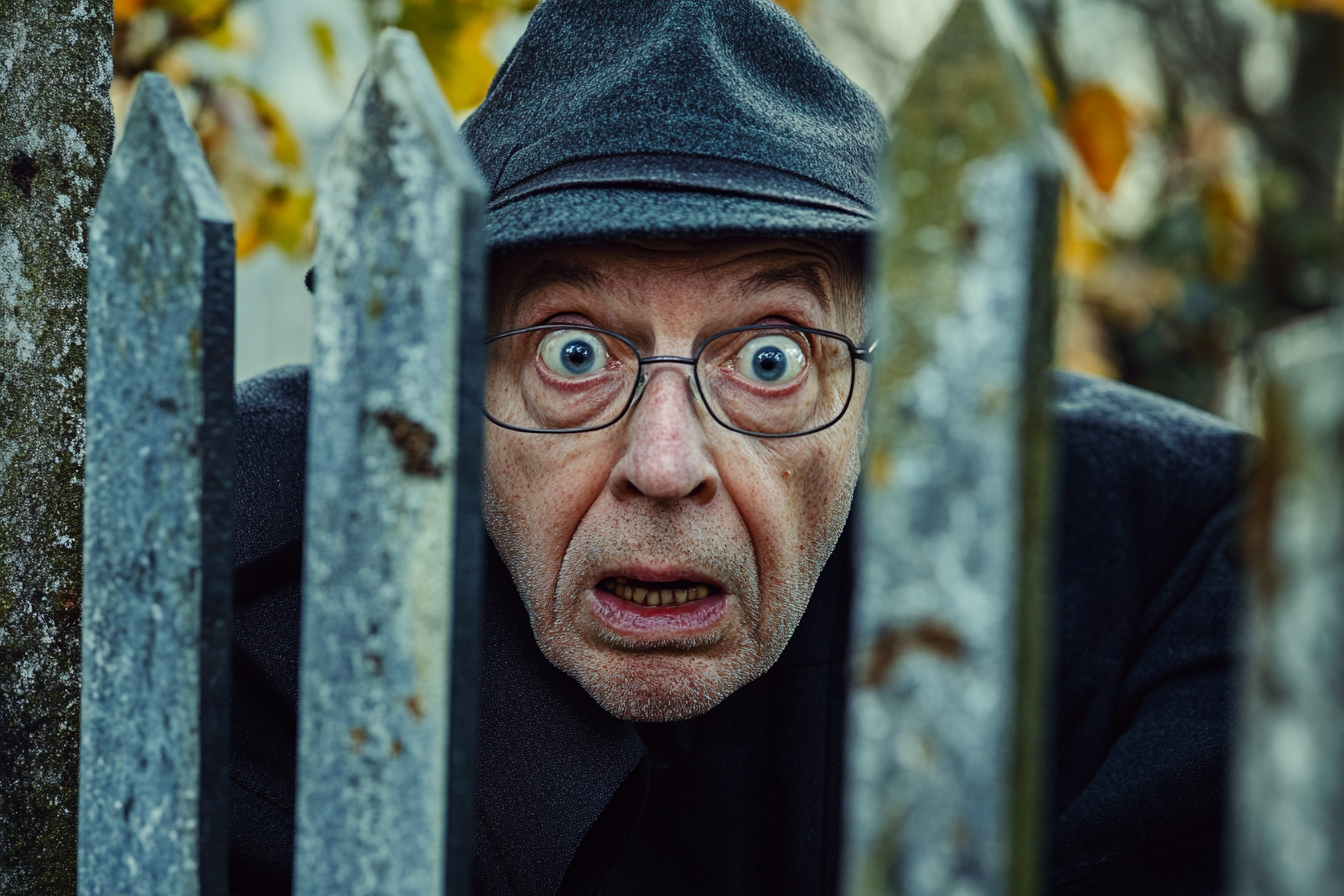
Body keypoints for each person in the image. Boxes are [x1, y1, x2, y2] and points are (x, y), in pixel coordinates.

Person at [228, 1, 1247, 893]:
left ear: (875, 386)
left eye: (771, 358)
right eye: (571, 350)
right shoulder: (262, 577)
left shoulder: (1110, 549)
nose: (666, 465)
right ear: (453, 384)